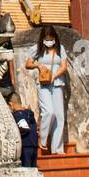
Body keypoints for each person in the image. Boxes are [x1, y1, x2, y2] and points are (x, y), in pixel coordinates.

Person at [26, 25, 68, 154]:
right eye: (47, 39)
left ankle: (57, 148)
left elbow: (64, 66)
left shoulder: (60, 49)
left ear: (55, 38)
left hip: (57, 84)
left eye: (51, 38)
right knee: (49, 112)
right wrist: (38, 65)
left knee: (59, 116)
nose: (49, 41)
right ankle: (43, 139)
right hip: (44, 85)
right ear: (43, 39)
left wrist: (55, 75)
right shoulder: (37, 49)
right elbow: (28, 64)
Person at [8, 92, 38, 167]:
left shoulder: (17, 115)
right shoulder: (29, 113)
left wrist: (15, 136)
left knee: (27, 169)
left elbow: (24, 129)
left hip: (25, 147)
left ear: (11, 104)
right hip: (34, 145)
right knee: (33, 169)